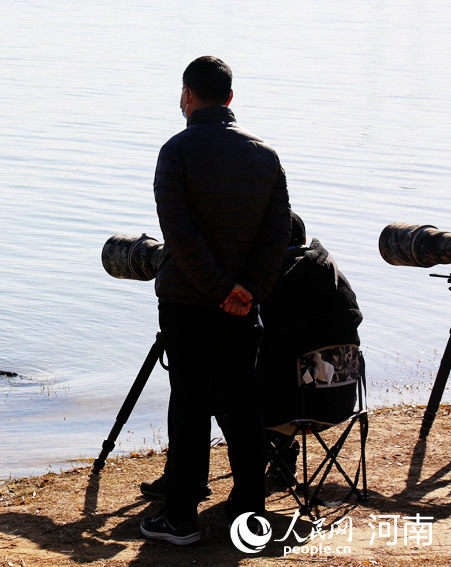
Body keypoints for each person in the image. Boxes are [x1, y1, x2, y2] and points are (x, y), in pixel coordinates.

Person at [140, 56, 291, 545]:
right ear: (229, 98)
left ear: (187, 95)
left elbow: (179, 236)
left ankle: (180, 515)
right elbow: (278, 236)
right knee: (240, 402)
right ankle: (250, 507)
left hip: (188, 301)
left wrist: (220, 287)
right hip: (244, 306)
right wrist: (248, 290)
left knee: (189, 402)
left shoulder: (176, 152)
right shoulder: (265, 156)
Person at [259, 212, 363, 484]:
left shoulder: (274, 280)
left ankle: (249, 479)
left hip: (290, 407)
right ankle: (282, 458)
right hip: (341, 402)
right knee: (289, 360)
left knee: (229, 384)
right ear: (303, 240)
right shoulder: (335, 277)